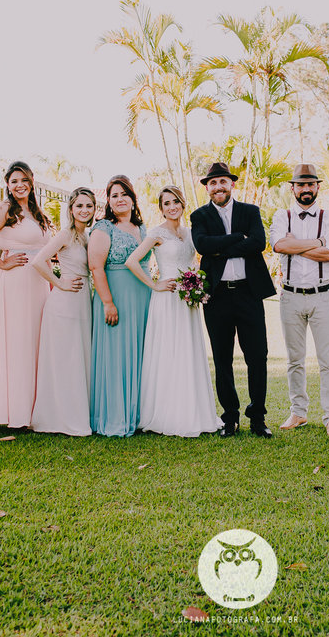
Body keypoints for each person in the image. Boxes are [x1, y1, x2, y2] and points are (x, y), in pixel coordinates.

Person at [191, 162, 277, 438]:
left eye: (223, 181)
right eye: (213, 183)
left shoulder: (249, 211)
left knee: (257, 357)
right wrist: (236, 238)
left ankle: (257, 418)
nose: (218, 187)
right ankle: (230, 418)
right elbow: (202, 245)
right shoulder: (199, 215)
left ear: (232, 184)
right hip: (216, 296)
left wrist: (221, 247)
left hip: (248, 293)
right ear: (207, 188)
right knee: (222, 359)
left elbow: (258, 243)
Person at [129, 185, 221, 437]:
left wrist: (197, 282)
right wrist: (154, 284)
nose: (172, 207)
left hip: (188, 300)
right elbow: (132, 261)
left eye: (176, 202)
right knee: (168, 351)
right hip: (167, 298)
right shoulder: (157, 233)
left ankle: (193, 411)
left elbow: (195, 260)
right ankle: (166, 413)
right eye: (167, 203)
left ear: (182, 204)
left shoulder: (191, 233)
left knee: (188, 351)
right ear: (161, 208)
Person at [0, 161, 51, 429]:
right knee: (18, 340)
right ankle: (16, 411)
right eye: (14, 181)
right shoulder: (6, 209)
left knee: (35, 339)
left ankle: (35, 406)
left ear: (32, 181)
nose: (19, 185)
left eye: (24, 180)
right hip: (15, 279)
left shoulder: (36, 212)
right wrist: (0, 262)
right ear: (7, 184)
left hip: (38, 280)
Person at [269, 164, 329, 437]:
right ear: (293, 188)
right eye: (301, 185)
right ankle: (298, 412)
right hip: (289, 296)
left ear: (317, 187)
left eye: (310, 184)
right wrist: (318, 242)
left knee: (328, 359)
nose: (306, 189)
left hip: (322, 295)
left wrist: (296, 244)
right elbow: (279, 246)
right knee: (294, 359)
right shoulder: (282, 215)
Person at [28, 187, 96, 437]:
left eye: (89, 206)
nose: (84, 210)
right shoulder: (65, 235)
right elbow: (38, 261)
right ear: (71, 209)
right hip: (64, 304)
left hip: (83, 304)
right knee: (64, 361)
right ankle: (58, 418)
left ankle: (79, 413)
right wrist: (60, 282)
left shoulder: (88, 236)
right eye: (79, 206)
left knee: (79, 358)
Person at [88, 175, 151, 437]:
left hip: (143, 298)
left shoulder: (143, 228)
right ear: (109, 201)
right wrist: (108, 302)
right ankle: (115, 416)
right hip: (115, 297)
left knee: (141, 354)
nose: (120, 199)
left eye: (124, 193)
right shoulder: (104, 228)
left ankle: (140, 414)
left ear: (133, 199)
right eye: (114, 195)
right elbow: (95, 266)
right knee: (116, 355)